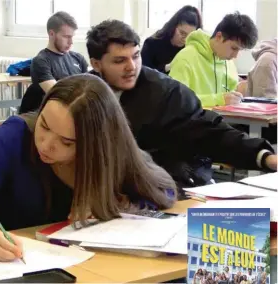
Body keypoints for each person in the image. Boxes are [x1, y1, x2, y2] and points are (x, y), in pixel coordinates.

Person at [0, 74, 178, 261]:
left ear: (94, 144)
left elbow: (162, 190)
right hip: (19, 265)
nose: (46, 144)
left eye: (66, 142)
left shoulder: (110, 150)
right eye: (44, 125)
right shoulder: (16, 135)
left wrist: (114, 205)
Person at [85, 20, 276, 189]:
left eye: (135, 56)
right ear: (96, 64)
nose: (131, 67)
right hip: (105, 188)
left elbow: (209, 131)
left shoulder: (165, 92)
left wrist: (264, 156)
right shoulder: (83, 95)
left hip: (168, 184)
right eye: (120, 61)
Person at [169, 12, 258, 107]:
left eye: (240, 50)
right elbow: (176, 101)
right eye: (234, 48)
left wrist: (239, 92)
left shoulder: (228, 62)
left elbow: (230, 96)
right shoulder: (185, 58)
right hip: (195, 121)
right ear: (219, 37)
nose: (235, 56)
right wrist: (218, 100)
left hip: (225, 120)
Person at [20, 11, 89, 114]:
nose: (71, 42)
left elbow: (88, 90)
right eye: (66, 37)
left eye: (72, 37)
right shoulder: (41, 61)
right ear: (51, 34)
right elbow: (59, 96)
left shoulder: (78, 59)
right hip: (47, 117)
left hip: (73, 114)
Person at [141, 5, 202, 74]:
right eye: (182, 33)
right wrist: (167, 67)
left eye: (190, 36)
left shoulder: (191, 48)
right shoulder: (152, 43)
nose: (185, 39)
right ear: (173, 26)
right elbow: (143, 73)